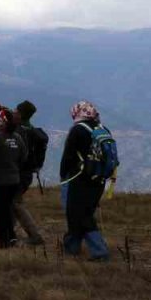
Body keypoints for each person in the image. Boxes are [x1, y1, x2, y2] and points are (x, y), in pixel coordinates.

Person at [0, 100, 47, 245]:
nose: (13, 112)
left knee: (15, 204)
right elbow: (11, 114)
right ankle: (8, 235)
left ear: (20, 115)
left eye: (16, 111)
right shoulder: (28, 128)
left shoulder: (15, 131)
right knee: (11, 204)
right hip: (25, 173)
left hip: (15, 174)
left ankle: (28, 236)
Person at [60, 101, 112, 261]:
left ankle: (100, 251)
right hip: (99, 178)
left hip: (79, 178)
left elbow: (68, 156)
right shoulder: (102, 129)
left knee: (79, 214)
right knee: (83, 213)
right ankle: (71, 247)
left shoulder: (78, 130)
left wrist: (63, 176)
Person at [0, 108, 27, 249]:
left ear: (2, 122)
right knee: (8, 211)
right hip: (14, 181)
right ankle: (11, 237)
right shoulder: (17, 138)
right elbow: (23, 158)